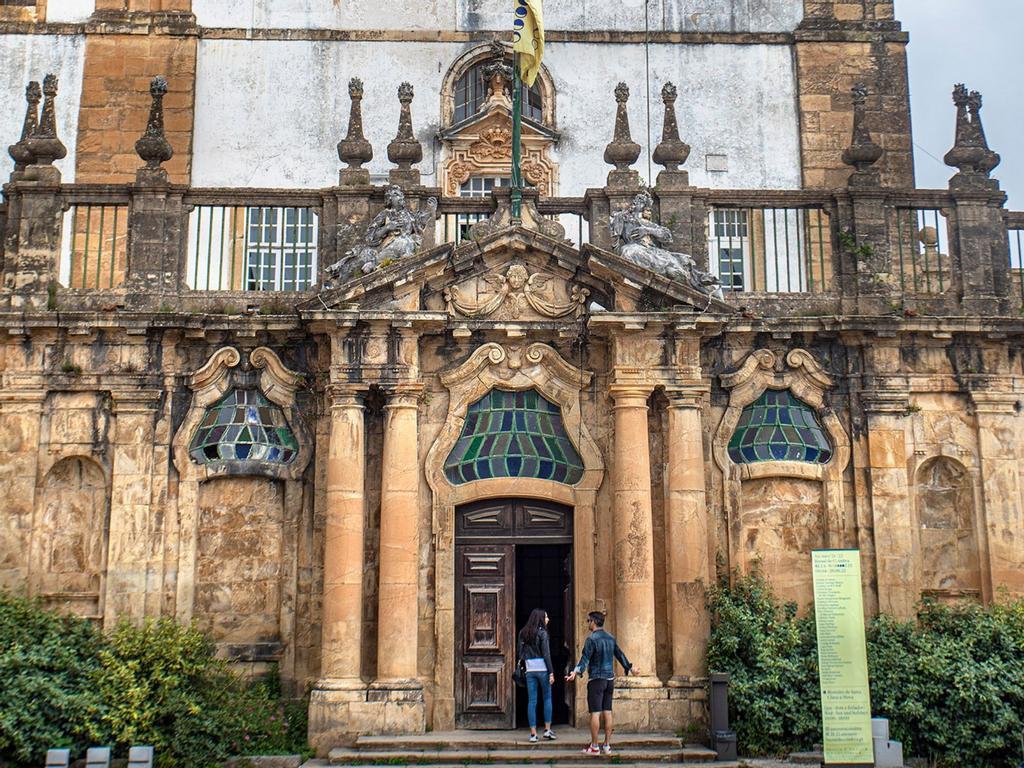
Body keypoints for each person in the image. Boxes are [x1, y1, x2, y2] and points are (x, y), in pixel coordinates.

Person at [565, 610, 637, 755]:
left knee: (595, 714)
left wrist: (575, 672)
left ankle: (594, 747)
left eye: (588, 621)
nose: (588, 624)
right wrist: (629, 668)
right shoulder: (610, 638)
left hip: (596, 680)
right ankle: (607, 746)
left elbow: (585, 658)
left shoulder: (591, 639)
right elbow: (619, 654)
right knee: (608, 712)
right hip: (609, 680)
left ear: (594, 621)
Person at [517, 608, 556, 743]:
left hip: (530, 670)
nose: (548, 619)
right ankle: (547, 730)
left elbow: (519, 653)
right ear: (540, 618)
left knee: (532, 701)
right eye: (546, 617)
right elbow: (546, 654)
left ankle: (533, 734)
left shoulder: (523, 633)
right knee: (547, 698)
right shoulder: (543, 633)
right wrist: (551, 672)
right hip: (543, 669)